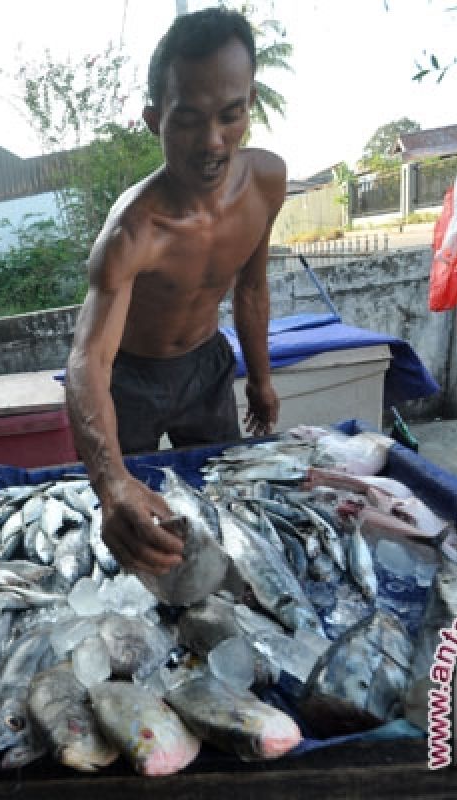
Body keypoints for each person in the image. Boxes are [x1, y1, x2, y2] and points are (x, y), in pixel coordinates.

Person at [64, 8, 287, 576]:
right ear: (153, 118)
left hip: (207, 368)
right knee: (137, 531)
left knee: (225, 506)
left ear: (249, 103)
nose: (212, 142)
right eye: (187, 120)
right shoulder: (131, 232)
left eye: (230, 115)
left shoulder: (267, 181)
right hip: (129, 383)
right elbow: (89, 357)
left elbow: (253, 288)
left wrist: (259, 379)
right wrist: (111, 481)